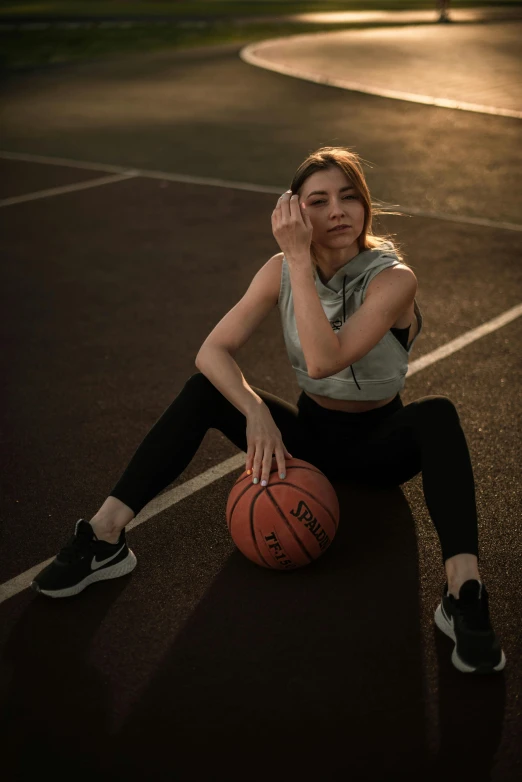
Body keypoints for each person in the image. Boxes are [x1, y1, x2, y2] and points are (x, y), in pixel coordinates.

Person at [32, 146, 505, 674]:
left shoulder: (394, 279)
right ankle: (104, 536)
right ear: (296, 214)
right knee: (203, 390)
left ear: (366, 205)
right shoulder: (279, 270)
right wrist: (256, 410)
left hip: (381, 449)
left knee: (437, 413)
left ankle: (463, 591)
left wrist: (300, 262)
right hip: (307, 442)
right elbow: (210, 351)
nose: (338, 212)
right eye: (319, 201)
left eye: (349, 197)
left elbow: (325, 361)